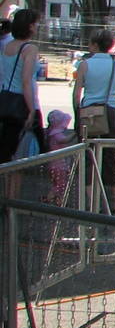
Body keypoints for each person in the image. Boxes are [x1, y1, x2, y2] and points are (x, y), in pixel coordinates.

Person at [73, 28, 115, 212]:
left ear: (95, 45)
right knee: (112, 156)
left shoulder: (85, 64)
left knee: (89, 155)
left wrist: (77, 112)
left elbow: (77, 92)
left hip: (89, 111)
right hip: (110, 109)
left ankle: (91, 202)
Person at [0, 10, 42, 193]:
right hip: (20, 102)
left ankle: (6, 196)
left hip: (5, 98)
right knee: (20, 155)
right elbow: (26, 80)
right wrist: (32, 109)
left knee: (6, 151)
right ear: (30, 26)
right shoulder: (29, 49)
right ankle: (12, 200)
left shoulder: (7, 46)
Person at [43, 109, 73, 205]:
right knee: (60, 185)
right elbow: (64, 140)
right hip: (59, 165)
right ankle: (49, 198)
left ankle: (59, 200)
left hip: (53, 164)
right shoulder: (56, 134)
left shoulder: (50, 133)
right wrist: (75, 134)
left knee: (57, 184)